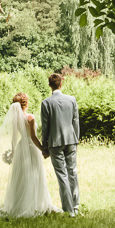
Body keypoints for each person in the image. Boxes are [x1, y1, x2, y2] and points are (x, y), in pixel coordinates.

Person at [0, 92, 55, 218]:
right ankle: (35, 204)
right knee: (34, 174)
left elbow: (14, 137)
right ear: (26, 103)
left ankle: (19, 203)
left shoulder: (16, 119)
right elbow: (33, 137)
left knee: (21, 175)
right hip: (31, 148)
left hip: (21, 148)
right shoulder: (30, 117)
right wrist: (43, 149)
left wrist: (13, 151)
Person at [39, 71, 80, 215]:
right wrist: (76, 139)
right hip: (71, 140)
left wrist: (44, 146)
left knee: (62, 175)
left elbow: (45, 127)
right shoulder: (72, 100)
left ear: (50, 85)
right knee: (72, 172)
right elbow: (75, 122)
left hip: (55, 142)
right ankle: (75, 205)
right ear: (61, 84)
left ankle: (69, 210)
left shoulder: (46, 103)